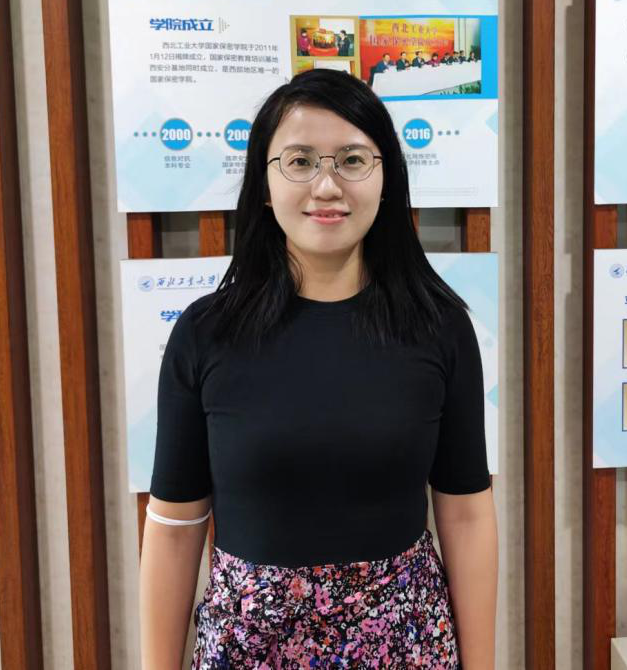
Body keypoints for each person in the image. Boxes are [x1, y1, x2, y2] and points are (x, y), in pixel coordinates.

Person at [138, 69, 498, 669]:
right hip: (248, 650)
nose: (327, 186)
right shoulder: (205, 333)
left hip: (404, 645)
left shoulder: (439, 326)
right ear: (264, 183)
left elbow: (465, 513)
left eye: (352, 160)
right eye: (300, 161)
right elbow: (175, 528)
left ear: (386, 178)